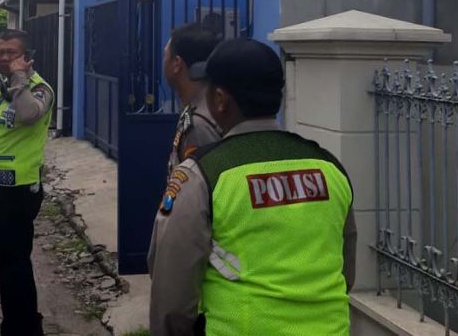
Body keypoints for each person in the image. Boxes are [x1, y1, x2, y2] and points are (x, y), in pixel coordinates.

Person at [148, 38, 357, 336]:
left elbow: (172, 290)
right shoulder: (330, 169)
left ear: (220, 100)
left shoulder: (202, 176)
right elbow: (345, 271)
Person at [0, 29, 55, 336]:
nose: (4, 58)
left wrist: (20, 79)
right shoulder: (6, 87)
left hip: (19, 190)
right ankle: (13, 326)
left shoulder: (38, 89)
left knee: (16, 266)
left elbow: (27, 115)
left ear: (28, 58)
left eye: (11, 53)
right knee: (6, 264)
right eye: (0, 52)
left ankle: (26, 330)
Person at [163, 23, 221, 179]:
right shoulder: (197, 107)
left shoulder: (200, 125)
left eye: (165, 56)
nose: (163, 61)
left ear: (176, 64)